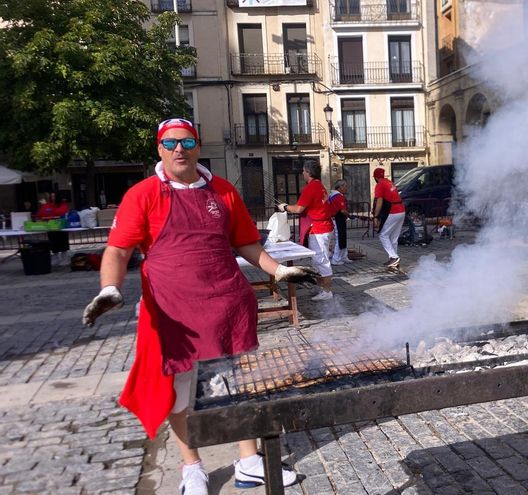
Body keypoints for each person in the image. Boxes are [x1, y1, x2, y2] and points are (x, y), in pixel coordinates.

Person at [81, 118, 316, 495]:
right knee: (178, 391)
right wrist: (110, 288)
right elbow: (118, 249)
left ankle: (249, 460)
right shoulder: (143, 194)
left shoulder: (221, 190)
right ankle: (192, 467)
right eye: (171, 142)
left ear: (197, 145)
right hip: (172, 312)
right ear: (159, 148)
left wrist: (280, 270)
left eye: (187, 141)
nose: (179, 149)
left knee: (241, 383)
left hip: (227, 302)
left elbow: (245, 243)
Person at [278, 160, 335, 300]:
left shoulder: (310, 188)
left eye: (303, 171)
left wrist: (285, 207)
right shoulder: (319, 186)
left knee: (321, 260)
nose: (302, 173)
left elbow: (298, 209)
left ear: (308, 172)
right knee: (318, 260)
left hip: (320, 228)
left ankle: (327, 292)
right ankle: (322, 288)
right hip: (322, 227)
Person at [371, 167, 405, 270]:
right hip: (401, 210)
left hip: (393, 211)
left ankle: (394, 257)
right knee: (393, 238)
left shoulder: (379, 185)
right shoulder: (389, 182)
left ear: (376, 177)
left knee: (383, 235)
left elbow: (380, 201)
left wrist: (376, 216)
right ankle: (394, 261)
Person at [328, 179, 353, 266]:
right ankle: (336, 259)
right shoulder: (339, 196)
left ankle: (343, 256)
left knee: (342, 238)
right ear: (340, 187)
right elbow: (342, 210)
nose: (346, 188)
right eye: (345, 186)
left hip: (334, 219)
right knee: (340, 239)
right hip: (338, 219)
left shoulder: (332, 195)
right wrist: (349, 215)